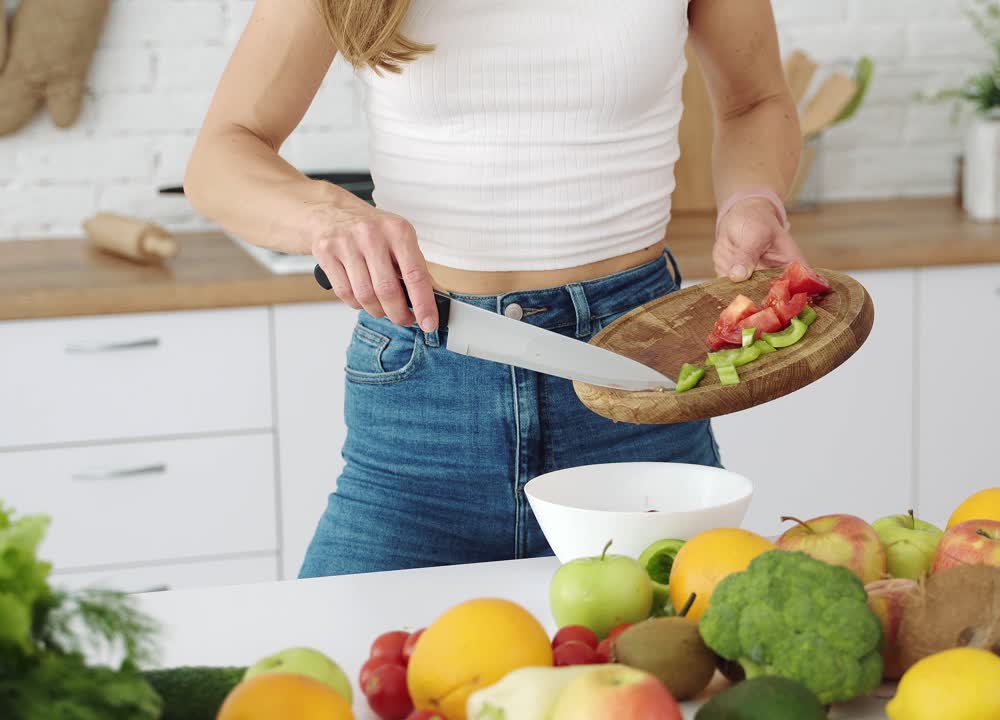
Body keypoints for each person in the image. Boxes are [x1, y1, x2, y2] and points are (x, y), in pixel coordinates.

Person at [184, 0, 804, 577]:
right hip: (422, 399)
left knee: (691, 654)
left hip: (633, 379)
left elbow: (755, 100)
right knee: (327, 658)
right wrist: (325, 215)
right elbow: (223, 153)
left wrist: (753, 199)